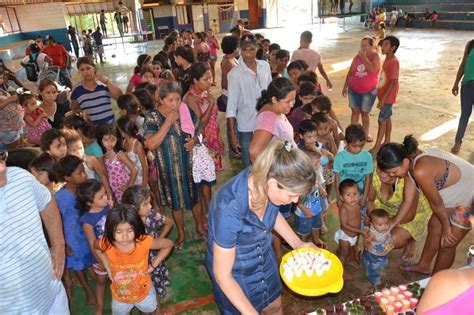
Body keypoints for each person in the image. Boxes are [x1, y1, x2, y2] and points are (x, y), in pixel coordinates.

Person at [205, 140, 317, 314]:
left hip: (264, 260)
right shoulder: (227, 206)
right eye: (292, 195)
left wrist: (297, 243)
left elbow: (272, 214)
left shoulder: (267, 181)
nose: (295, 201)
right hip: (236, 275)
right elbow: (223, 275)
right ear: (273, 184)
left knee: (274, 306)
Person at [376, 135, 473, 275]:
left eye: (394, 172)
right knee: (434, 225)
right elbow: (407, 201)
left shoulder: (420, 170)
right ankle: (424, 265)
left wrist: (447, 227)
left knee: (448, 242)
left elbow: (436, 204)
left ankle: (437, 281)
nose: (393, 176)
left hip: (470, 197)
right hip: (456, 195)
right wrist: (392, 224)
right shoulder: (410, 166)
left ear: (404, 162)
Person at [0, 151, 69, 314]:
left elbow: (47, 203)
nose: (2, 168)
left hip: (51, 292)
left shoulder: (20, 177)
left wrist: (58, 244)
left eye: (1, 157)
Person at [144, 81, 204, 250]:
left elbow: (200, 129)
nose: (175, 104)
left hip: (189, 167)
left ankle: (200, 227)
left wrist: (195, 140)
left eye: (177, 99)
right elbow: (150, 144)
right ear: (161, 100)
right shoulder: (153, 117)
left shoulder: (185, 110)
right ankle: (181, 233)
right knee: (175, 202)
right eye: (170, 100)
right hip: (168, 170)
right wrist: (168, 122)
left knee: (195, 198)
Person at [94, 205, 173, 315]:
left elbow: (168, 245)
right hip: (120, 297)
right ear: (110, 230)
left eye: (130, 230)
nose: (125, 236)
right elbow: (96, 246)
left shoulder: (143, 241)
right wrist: (107, 265)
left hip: (144, 293)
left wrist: (153, 266)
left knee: (148, 312)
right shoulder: (107, 243)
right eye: (119, 232)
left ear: (136, 228)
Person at [122, 185, 173, 307]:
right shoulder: (125, 225)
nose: (150, 206)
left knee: (154, 283)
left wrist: (158, 240)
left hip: (154, 258)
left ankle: (157, 306)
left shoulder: (152, 215)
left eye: (150, 202)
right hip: (137, 263)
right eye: (146, 204)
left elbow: (169, 223)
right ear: (133, 208)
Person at [226, 33, 272, 167]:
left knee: (266, 163)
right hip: (246, 126)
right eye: (245, 49)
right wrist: (231, 133)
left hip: (265, 123)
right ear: (240, 50)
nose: (248, 53)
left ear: (257, 48)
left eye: (251, 49)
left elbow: (270, 94)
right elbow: (231, 106)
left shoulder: (265, 67)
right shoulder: (235, 74)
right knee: (249, 166)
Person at [54, 155, 95, 304]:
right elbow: (56, 223)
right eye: (80, 173)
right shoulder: (60, 198)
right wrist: (63, 244)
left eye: (84, 171)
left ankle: (92, 271)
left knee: (89, 255)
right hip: (72, 238)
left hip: (86, 232)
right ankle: (87, 289)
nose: (84, 175)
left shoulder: (82, 190)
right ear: (67, 177)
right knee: (78, 264)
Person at [368, 167, 432, 262]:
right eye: (379, 167)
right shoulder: (375, 175)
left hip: (412, 215)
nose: (381, 173)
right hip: (387, 210)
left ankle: (411, 239)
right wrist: (373, 221)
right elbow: (370, 200)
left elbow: (409, 216)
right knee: (368, 226)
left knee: (391, 240)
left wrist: (386, 225)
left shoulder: (409, 180)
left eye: (387, 168)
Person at [77, 179, 110, 315]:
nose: (106, 197)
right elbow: (92, 243)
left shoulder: (109, 207)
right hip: (100, 256)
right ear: (90, 202)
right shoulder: (87, 220)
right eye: (101, 197)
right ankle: (100, 306)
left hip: (116, 251)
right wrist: (101, 261)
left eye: (105, 194)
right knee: (101, 281)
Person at [249, 77, 297, 163]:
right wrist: (269, 172)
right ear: (274, 99)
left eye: (293, 100)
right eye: (287, 101)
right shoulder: (268, 119)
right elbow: (254, 152)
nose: (292, 105)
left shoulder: (277, 110)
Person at [342, 36, 380, 142]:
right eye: (362, 45)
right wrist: (345, 86)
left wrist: (364, 57)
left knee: (365, 113)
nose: (363, 48)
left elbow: (372, 69)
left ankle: (366, 134)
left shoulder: (375, 57)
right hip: (353, 90)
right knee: (354, 112)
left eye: (366, 45)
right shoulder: (356, 57)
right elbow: (350, 72)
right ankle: (352, 134)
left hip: (368, 91)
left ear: (372, 46)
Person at [334, 123, 373, 220]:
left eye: (361, 145)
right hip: (345, 195)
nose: (358, 149)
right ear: (346, 143)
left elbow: (368, 178)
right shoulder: (339, 157)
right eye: (354, 146)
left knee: (361, 217)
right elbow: (337, 178)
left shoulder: (367, 156)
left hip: (360, 193)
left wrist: (364, 198)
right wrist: (339, 198)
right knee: (346, 218)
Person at [70, 57, 122, 125]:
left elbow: (119, 96)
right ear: (79, 72)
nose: (86, 72)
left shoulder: (103, 84)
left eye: (88, 68)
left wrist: (108, 82)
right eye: (82, 70)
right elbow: (74, 108)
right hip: (91, 128)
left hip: (110, 125)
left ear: (94, 68)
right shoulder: (77, 89)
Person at [371, 36, 400, 155]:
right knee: (387, 117)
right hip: (384, 95)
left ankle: (377, 146)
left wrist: (383, 99)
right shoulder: (387, 59)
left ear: (393, 48)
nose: (383, 47)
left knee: (381, 120)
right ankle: (387, 140)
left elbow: (393, 81)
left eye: (386, 45)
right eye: (383, 45)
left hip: (388, 97)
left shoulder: (393, 62)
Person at [96, 123, 137, 203]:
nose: (109, 143)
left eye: (113, 140)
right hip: (113, 188)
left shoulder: (119, 154)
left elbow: (134, 169)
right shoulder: (101, 155)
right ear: (100, 140)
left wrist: (129, 186)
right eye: (106, 140)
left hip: (123, 186)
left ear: (117, 139)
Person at [294, 146, 326, 247]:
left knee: (316, 225)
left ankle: (316, 239)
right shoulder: (299, 181)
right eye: (316, 164)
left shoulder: (313, 173)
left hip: (316, 208)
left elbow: (316, 181)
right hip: (303, 213)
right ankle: (302, 243)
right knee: (304, 230)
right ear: (305, 165)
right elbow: (296, 200)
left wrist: (320, 188)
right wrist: (304, 210)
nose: (318, 165)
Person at [336, 179, 367, 274]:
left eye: (355, 194)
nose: (352, 197)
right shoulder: (344, 209)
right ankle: (340, 272)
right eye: (348, 195)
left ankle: (349, 261)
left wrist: (364, 218)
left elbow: (358, 215)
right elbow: (345, 225)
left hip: (354, 234)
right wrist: (360, 231)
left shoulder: (357, 205)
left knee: (351, 249)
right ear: (341, 197)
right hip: (345, 236)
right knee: (343, 254)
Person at [451, 39, 474, 154]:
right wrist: (456, 83)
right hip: (467, 86)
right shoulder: (470, 44)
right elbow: (463, 64)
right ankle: (458, 142)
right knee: (464, 115)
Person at [362, 208, 393, 288]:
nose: (385, 227)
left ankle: (380, 270)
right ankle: (374, 279)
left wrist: (390, 241)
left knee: (383, 262)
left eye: (387, 223)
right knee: (373, 267)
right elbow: (366, 240)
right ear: (372, 224)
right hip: (373, 254)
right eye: (380, 225)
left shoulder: (386, 228)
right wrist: (368, 244)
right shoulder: (372, 233)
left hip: (383, 252)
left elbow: (388, 235)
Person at [0, 76, 23, 151]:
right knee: (15, 150)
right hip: (7, 129)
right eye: (0, 78)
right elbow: (12, 98)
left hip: (15, 124)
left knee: (19, 145)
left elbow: (15, 94)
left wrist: (6, 85)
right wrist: (10, 100)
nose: (2, 80)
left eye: (2, 77)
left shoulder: (2, 87)